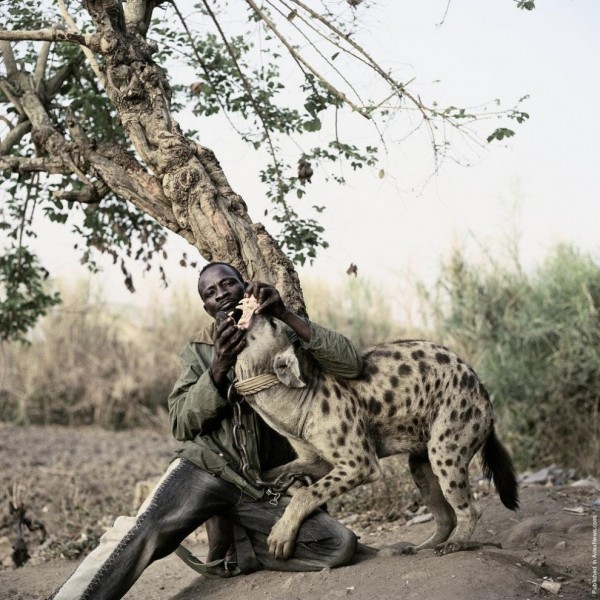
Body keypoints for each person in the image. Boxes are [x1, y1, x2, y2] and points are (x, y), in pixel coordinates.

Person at [51, 262, 365, 600]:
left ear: (245, 288)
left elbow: (352, 364)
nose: (221, 295)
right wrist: (217, 367)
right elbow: (181, 423)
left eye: (228, 285)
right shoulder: (200, 348)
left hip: (258, 484)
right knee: (144, 532)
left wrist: (286, 314)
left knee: (336, 544)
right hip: (206, 467)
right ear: (207, 308)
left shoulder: (282, 331)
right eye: (210, 293)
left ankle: (239, 548)